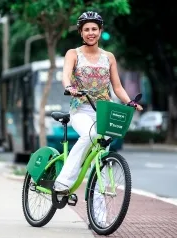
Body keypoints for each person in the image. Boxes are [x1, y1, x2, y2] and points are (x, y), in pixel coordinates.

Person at [53, 11, 143, 194]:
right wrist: (69, 87)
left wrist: (130, 102)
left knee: (102, 165)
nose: (90, 32)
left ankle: (99, 220)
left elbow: (117, 87)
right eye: (86, 29)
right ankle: (62, 182)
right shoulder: (73, 53)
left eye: (94, 28)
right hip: (80, 109)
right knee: (90, 135)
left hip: (103, 112)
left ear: (100, 31)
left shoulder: (109, 57)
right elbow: (65, 75)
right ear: (80, 32)